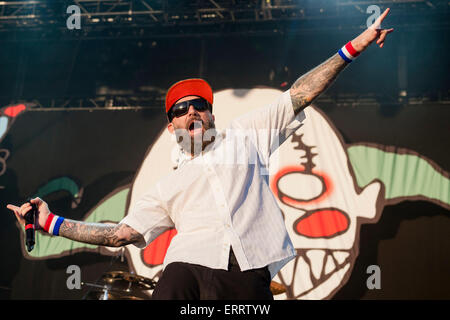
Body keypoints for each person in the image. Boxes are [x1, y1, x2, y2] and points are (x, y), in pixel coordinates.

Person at [7, 9, 393, 300]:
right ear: (170, 126)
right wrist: (52, 222)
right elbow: (120, 233)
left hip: (247, 273)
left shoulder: (246, 135)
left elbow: (301, 93)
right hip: (187, 269)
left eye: (198, 105)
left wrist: (354, 47)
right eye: (180, 109)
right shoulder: (167, 186)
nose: (190, 110)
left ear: (211, 114)